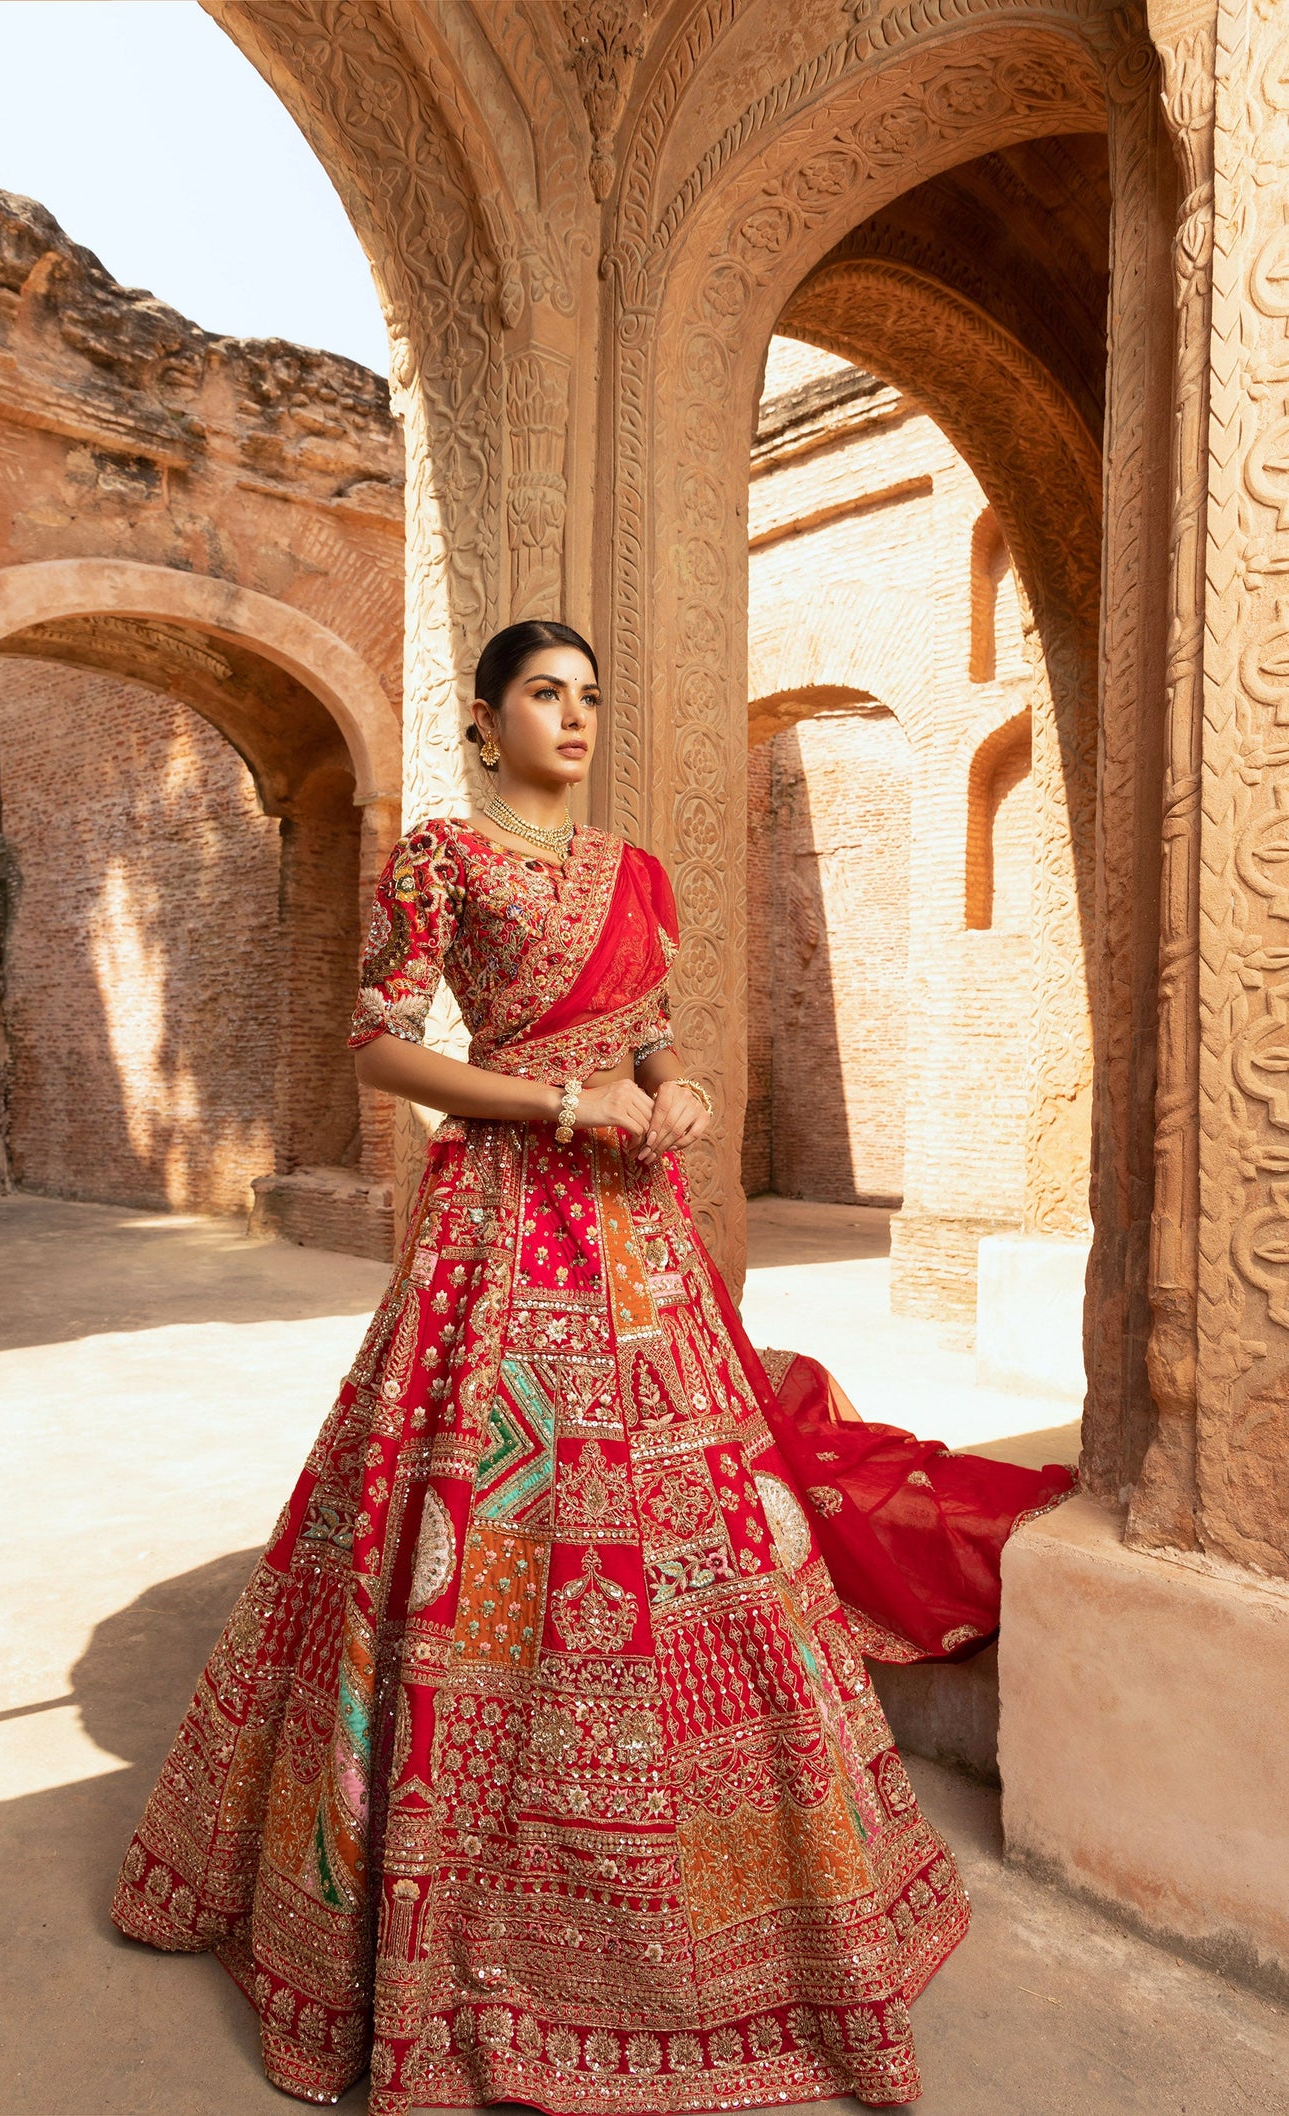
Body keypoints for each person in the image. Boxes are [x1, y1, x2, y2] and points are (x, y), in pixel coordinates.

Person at [112, 620, 1074, 2110]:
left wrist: (671, 1091)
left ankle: (734, 1906)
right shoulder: (444, 855)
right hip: (503, 1232)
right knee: (470, 1530)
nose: (575, 717)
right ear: (487, 721)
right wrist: (551, 1108)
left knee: (708, 1540)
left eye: (591, 697)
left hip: (642, 1246)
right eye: (546, 695)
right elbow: (378, 1043)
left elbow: (650, 1050)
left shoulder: (632, 875)